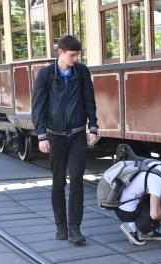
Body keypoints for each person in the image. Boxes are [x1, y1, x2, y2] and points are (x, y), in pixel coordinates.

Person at [31, 35, 98, 244]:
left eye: (77, 55)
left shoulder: (82, 72)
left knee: (77, 181)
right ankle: (61, 226)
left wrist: (93, 126)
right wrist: (41, 135)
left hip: (77, 134)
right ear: (60, 52)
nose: (75, 59)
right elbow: (38, 107)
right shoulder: (46, 75)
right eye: (72, 55)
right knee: (58, 182)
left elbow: (89, 100)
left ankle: (75, 229)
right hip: (55, 136)